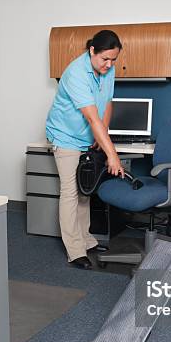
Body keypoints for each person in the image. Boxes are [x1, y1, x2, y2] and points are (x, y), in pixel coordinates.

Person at [46, 30, 125, 269]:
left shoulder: (107, 70)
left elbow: (107, 103)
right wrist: (112, 155)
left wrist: (103, 138)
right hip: (66, 137)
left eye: (113, 60)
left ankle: (86, 240)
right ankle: (75, 250)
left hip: (89, 137)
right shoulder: (76, 74)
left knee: (84, 189)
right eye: (105, 59)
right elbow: (91, 117)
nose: (109, 65)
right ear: (92, 51)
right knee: (71, 191)